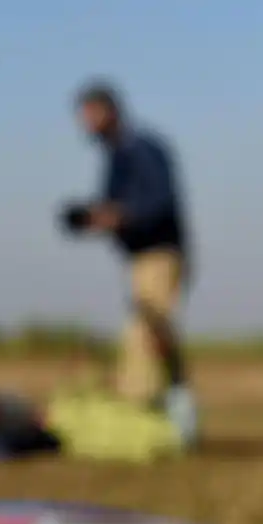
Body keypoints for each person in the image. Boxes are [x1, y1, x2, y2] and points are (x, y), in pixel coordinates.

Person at [69, 82, 198, 446]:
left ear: (110, 110)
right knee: (157, 334)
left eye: (91, 114)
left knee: (145, 330)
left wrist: (120, 216)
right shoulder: (114, 157)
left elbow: (160, 203)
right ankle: (177, 414)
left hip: (160, 252)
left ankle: (138, 409)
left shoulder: (141, 150)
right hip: (139, 257)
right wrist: (93, 218)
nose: (86, 123)